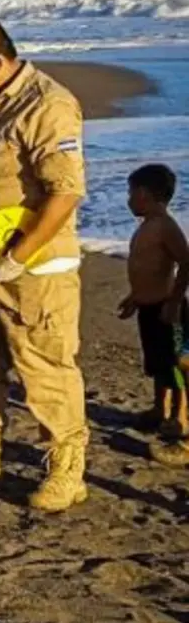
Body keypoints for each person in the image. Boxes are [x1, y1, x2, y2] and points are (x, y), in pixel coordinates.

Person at [0, 17, 90, 512]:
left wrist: (17, 257)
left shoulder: (49, 104)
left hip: (35, 266)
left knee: (45, 368)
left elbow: (65, 193)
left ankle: (67, 467)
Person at [117, 163, 189, 467]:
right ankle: (159, 409)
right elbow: (147, 269)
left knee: (179, 364)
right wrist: (135, 297)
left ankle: (180, 420)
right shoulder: (145, 225)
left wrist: (173, 302)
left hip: (167, 308)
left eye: (131, 193)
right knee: (157, 363)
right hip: (148, 307)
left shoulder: (164, 226)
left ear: (144, 194)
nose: (129, 199)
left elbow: (185, 263)